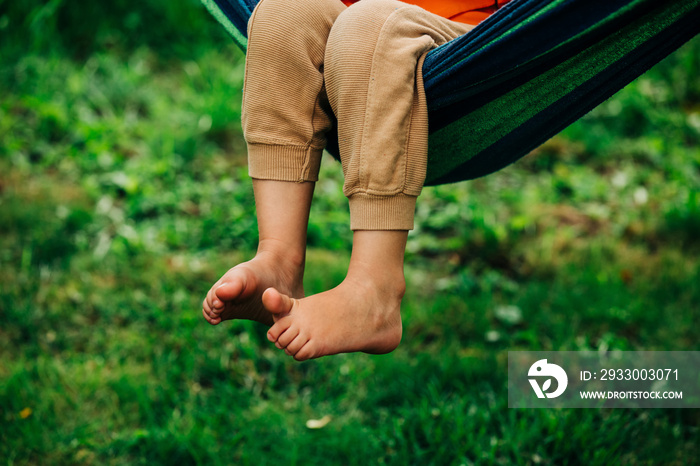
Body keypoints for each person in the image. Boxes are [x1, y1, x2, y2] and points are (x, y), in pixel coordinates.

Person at [201, 0, 508, 360]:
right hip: (354, 22)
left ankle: (374, 290)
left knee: (369, 30)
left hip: (471, 36)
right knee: (283, 15)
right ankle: (279, 258)